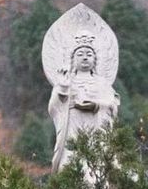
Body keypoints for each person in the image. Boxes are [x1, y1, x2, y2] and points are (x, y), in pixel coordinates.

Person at [48, 40, 119, 173]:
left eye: (89, 54)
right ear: (73, 60)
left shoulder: (102, 83)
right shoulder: (65, 80)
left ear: (95, 60)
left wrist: (96, 106)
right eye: (80, 54)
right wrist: (63, 88)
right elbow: (53, 109)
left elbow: (113, 106)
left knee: (95, 171)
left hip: (96, 131)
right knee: (68, 166)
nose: (85, 57)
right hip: (72, 130)